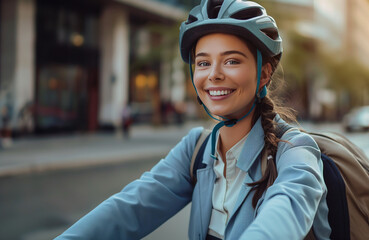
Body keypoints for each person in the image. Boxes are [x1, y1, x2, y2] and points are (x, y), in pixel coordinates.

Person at [56, 0, 330, 239]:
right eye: (203, 62)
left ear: (264, 72)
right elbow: (129, 209)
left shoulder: (294, 150)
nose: (214, 74)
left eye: (232, 61)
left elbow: (287, 210)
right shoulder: (196, 149)